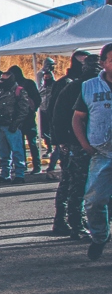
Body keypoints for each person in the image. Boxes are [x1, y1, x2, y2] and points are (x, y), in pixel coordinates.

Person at [72, 44, 112, 261]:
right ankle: (99, 236)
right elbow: (78, 117)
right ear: (103, 62)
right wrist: (85, 144)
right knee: (94, 200)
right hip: (102, 153)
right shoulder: (89, 87)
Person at [50, 53, 96, 239]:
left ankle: (68, 221)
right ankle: (71, 222)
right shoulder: (74, 86)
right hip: (76, 143)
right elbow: (59, 116)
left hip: (76, 143)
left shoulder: (73, 85)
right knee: (76, 184)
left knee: (72, 183)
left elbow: (56, 114)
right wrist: (62, 142)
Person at [0, 67, 37, 184]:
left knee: (17, 151)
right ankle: (5, 174)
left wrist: (16, 123)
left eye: (4, 80)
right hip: (2, 126)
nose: (1, 82)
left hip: (13, 127)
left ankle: (19, 174)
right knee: (4, 153)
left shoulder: (18, 91)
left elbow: (24, 109)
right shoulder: (2, 92)